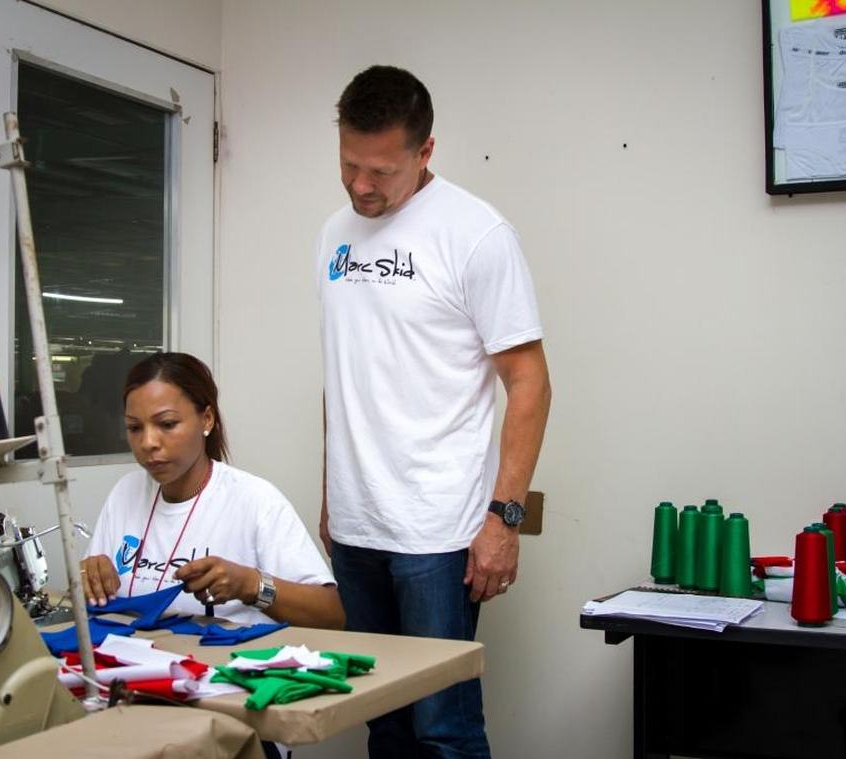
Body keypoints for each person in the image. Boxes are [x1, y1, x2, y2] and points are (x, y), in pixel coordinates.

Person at [316, 65, 551, 758]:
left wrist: (503, 518)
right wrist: (332, 492)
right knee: (381, 719)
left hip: (437, 532)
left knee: (442, 728)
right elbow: (343, 373)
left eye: (380, 171)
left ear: (425, 152)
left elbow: (531, 383)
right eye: (348, 164)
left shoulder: (475, 233)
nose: (361, 185)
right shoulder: (334, 233)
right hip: (357, 528)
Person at [81, 351, 344, 630]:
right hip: (134, 666)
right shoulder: (125, 493)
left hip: (218, 668)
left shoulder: (254, 501)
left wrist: (252, 585)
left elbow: (332, 615)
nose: (148, 442)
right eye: (134, 427)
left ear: (207, 419)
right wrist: (90, 575)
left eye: (167, 424)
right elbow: (93, 584)